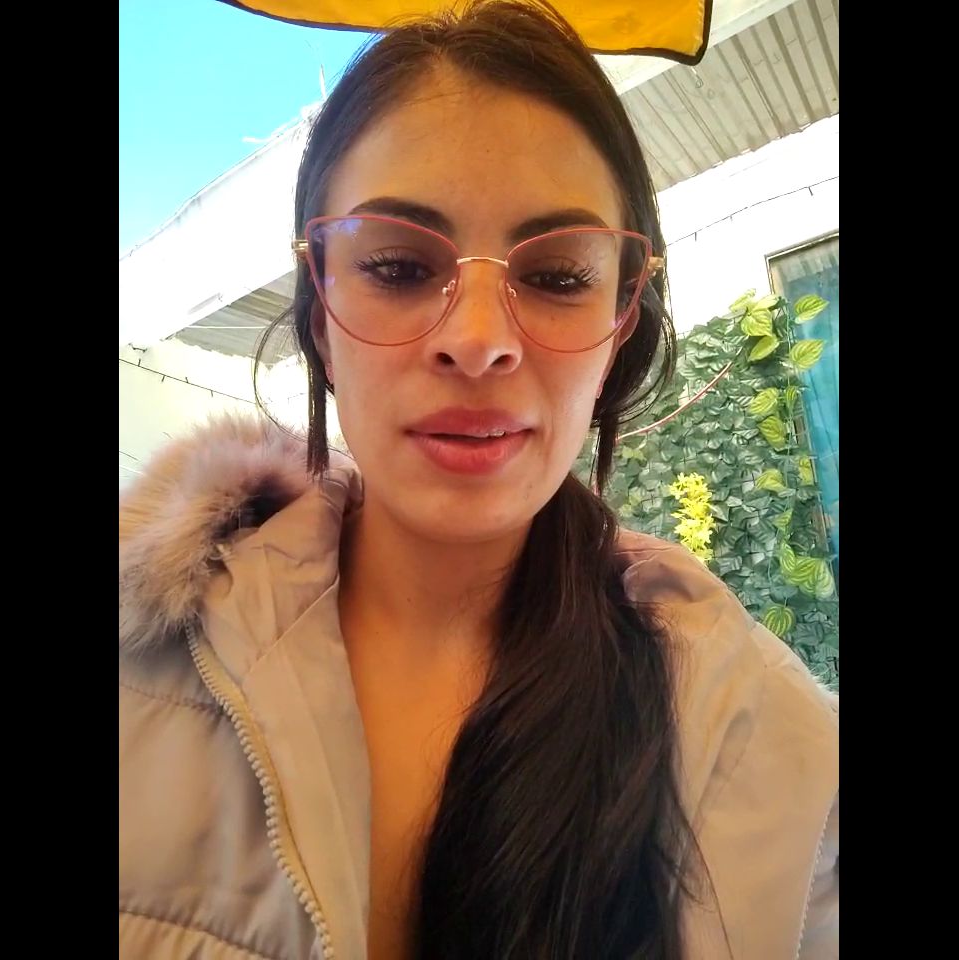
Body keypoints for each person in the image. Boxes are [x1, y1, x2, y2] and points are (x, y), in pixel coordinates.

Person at [119, 2, 839, 957]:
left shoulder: (775, 746)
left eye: (559, 276)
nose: (479, 341)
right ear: (320, 315)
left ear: (620, 325)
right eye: (397, 266)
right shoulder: (140, 653)